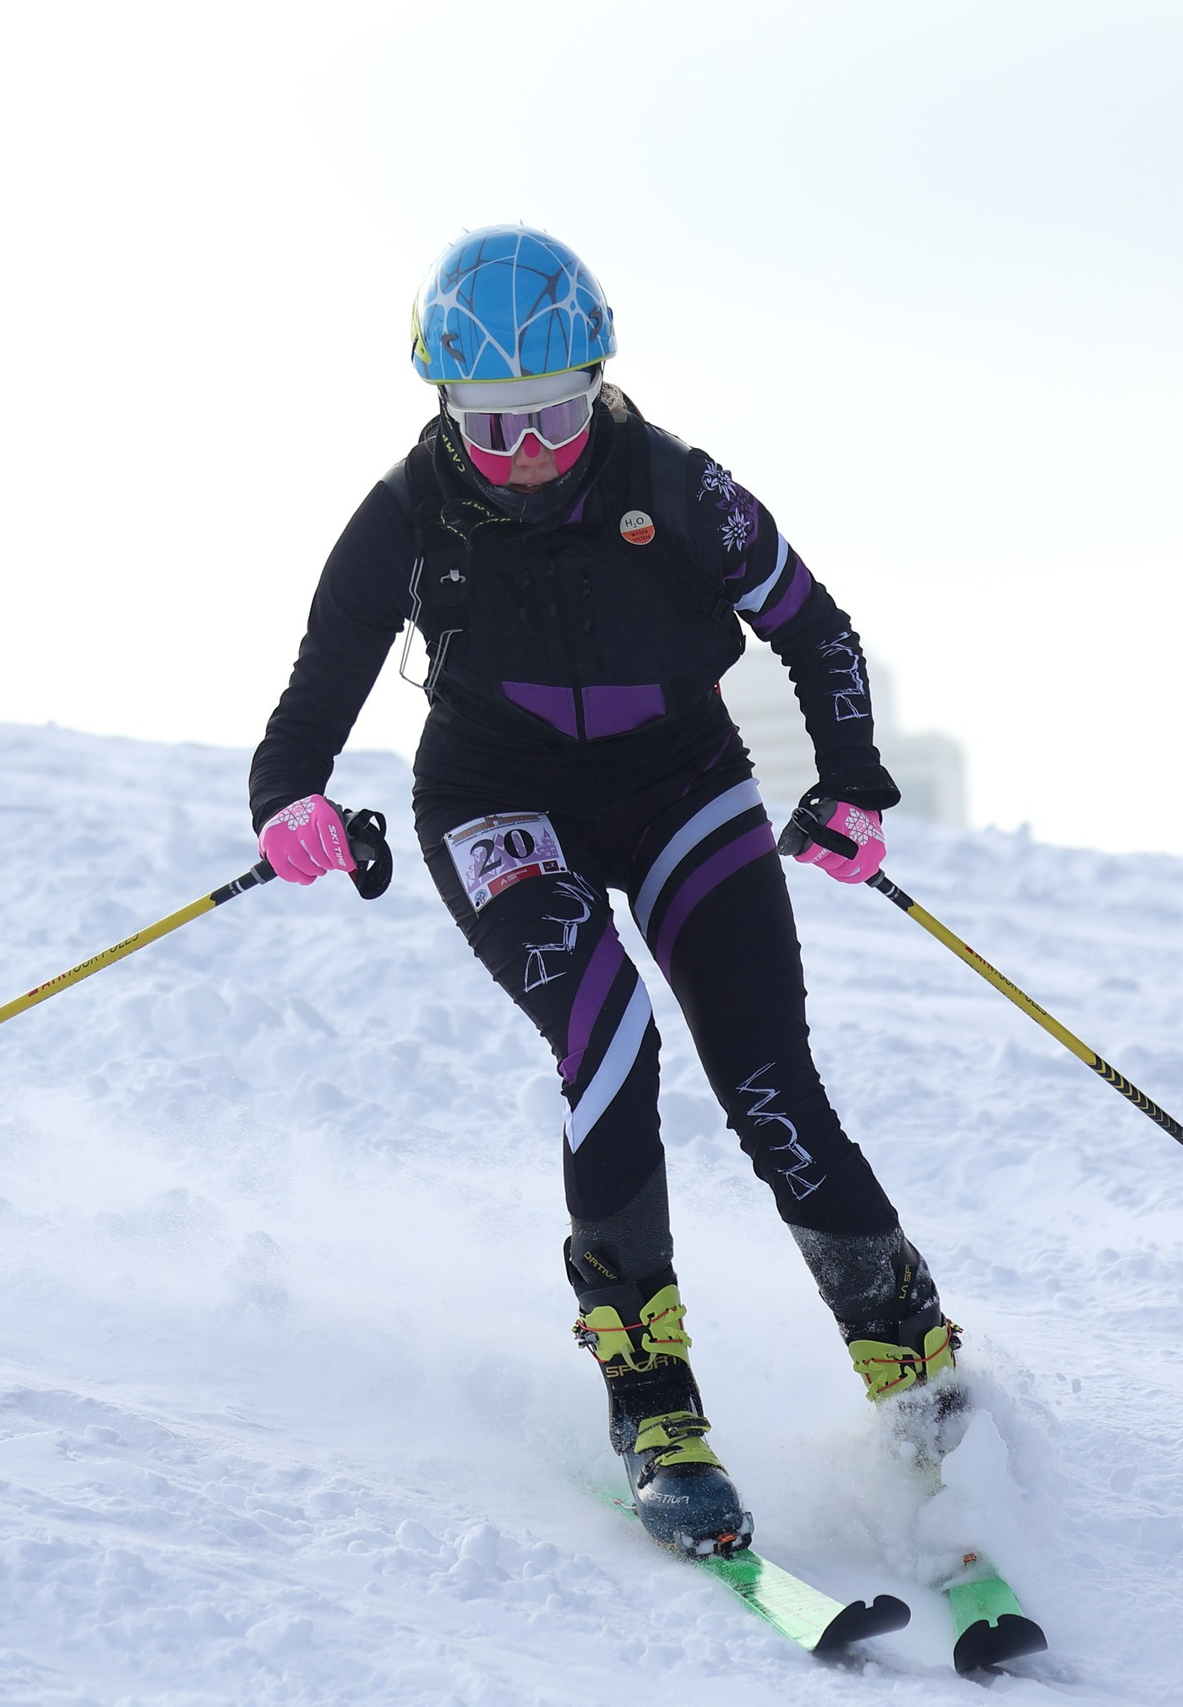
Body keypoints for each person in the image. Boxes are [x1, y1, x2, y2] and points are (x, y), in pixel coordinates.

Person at [248, 226, 960, 1558]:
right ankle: (655, 1407)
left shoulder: (681, 486)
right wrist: (289, 803)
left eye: (556, 416)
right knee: (612, 1044)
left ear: (600, 386)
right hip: (497, 801)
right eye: (490, 424)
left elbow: (817, 631)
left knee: (769, 1078)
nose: (526, 452)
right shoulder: (404, 515)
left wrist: (854, 782)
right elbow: (316, 694)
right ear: (442, 404)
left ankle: (916, 1368)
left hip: (681, 783)